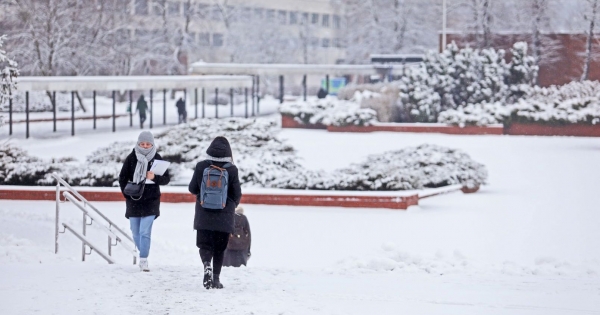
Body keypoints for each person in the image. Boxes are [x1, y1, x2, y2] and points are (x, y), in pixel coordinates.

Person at [188, 136, 242, 289]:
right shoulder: (231, 169)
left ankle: (206, 265)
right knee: (219, 248)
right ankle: (216, 279)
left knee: (205, 245)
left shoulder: (201, 167)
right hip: (224, 217)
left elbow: (192, 188)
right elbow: (236, 193)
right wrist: (231, 206)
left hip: (203, 214)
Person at [118, 131, 170, 272]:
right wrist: (127, 193)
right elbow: (122, 178)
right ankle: (143, 252)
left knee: (144, 231)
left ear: (152, 144)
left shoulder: (157, 158)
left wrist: (154, 177)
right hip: (134, 199)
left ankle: (143, 260)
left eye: (148, 144)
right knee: (135, 232)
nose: (145, 146)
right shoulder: (131, 158)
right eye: (142, 143)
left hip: (151, 200)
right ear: (138, 143)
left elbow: (166, 179)